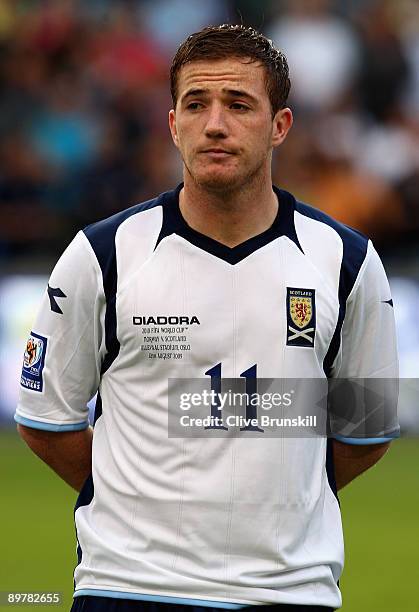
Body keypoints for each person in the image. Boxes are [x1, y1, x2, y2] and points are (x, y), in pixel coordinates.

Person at [16, 24, 399, 612]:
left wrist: (277, 500)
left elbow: (365, 431)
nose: (214, 124)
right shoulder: (101, 254)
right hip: (129, 588)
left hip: (290, 592)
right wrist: (141, 504)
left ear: (280, 127)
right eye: (196, 104)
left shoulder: (348, 262)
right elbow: (46, 421)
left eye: (239, 104)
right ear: (173, 124)